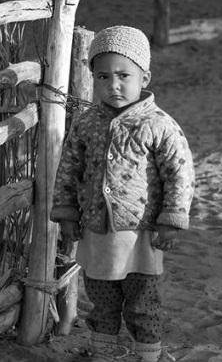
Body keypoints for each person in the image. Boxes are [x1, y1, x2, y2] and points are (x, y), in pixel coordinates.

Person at [50, 26, 195, 362]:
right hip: (97, 232)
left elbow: (179, 174)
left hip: (141, 235)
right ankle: (103, 353)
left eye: (123, 75)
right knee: (102, 301)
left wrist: (171, 220)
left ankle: (148, 355)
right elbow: (68, 170)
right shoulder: (86, 123)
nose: (112, 85)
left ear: (144, 77)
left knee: (143, 302)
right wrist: (68, 214)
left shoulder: (160, 125)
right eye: (102, 77)